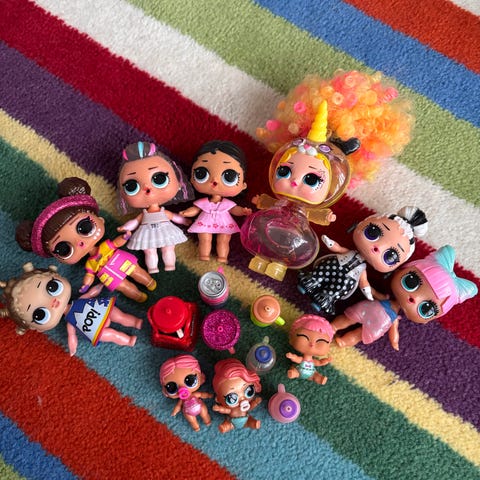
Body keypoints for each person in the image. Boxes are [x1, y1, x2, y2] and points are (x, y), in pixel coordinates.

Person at [240, 101, 357, 281]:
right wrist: (261, 201)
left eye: (311, 179)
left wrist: (325, 216)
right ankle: (259, 260)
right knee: (257, 236)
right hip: (269, 224)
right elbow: (270, 203)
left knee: (294, 249)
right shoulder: (279, 200)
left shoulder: (309, 208)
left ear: (331, 189)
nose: (294, 181)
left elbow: (314, 215)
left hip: (295, 236)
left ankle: (278, 266)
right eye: (284, 171)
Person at [16, 177, 156, 302]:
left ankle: (149, 282)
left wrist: (124, 237)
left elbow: (116, 243)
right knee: (124, 286)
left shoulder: (105, 247)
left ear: (100, 219)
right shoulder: (90, 264)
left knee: (136, 271)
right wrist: (86, 284)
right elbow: (90, 275)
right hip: (108, 275)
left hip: (119, 260)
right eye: (63, 249)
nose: (79, 242)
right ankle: (138, 296)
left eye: (84, 227)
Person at [331, 245, 478, 350]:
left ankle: (343, 340)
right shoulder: (387, 301)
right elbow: (374, 294)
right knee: (349, 318)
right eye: (411, 282)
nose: (414, 298)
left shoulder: (394, 318)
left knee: (358, 334)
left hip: (380, 320)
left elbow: (394, 331)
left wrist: (395, 341)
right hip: (373, 308)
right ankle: (333, 327)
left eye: (426, 308)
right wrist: (367, 287)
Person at [298, 206, 428, 314]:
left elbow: (363, 281)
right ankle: (312, 281)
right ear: (361, 224)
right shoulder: (351, 254)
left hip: (349, 277)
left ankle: (326, 297)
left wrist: (367, 292)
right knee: (325, 268)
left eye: (390, 256)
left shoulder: (362, 270)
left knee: (341, 286)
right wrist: (330, 243)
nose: (377, 248)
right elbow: (339, 249)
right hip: (336, 263)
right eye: (373, 232)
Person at [0, 263, 143, 355]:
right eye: (40, 314)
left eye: (52, 287)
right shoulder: (71, 322)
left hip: (97, 309)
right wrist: (73, 348)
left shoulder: (78, 304)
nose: (53, 303)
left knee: (119, 316)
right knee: (111, 335)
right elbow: (72, 336)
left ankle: (136, 322)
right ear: (38, 328)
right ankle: (128, 340)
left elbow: (90, 294)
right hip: (90, 327)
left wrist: (99, 287)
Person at [117, 141, 194, 273]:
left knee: (168, 248)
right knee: (149, 251)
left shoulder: (164, 212)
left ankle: (170, 265)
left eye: (159, 179)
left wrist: (185, 220)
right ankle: (152, 268)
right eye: (132, 186)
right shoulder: (143, 215)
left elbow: (174, 217)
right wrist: (125, 227)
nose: (147, 189)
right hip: (146, 232)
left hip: (165, 230)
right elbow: (135, 222)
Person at [180, 140, 251, 263]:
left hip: (224, 223)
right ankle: (204, 254)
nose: (214, 180)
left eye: (229, 177)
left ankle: (222, 256)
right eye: (201, 174)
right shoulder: (203, 202)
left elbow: (235, 210)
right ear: (192, 178)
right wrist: (186, 212)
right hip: (205, 221)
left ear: (243, 185)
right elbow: (195, 209)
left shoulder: (227, 204)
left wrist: (243, 211)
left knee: (224, 240)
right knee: (204, 238)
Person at [160, 354, 213, 432]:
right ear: (165, 391)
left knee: (204, 413)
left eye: (190, 381)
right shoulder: (182, 400)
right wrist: (175, 411)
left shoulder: (194, 395)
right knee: (191, 420)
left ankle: (207, 420)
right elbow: (178, 406)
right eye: (171, 387)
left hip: (199, 406)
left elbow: (202, 394)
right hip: (188, 411)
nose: (182, 388)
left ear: (201, 378)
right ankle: (195, 426)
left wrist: (208, 395)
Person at [212, 358, 262, 433]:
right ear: (218, 399)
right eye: (232, 398)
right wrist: (219, 408)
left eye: (249, 391)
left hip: (247, 419)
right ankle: (226, 427)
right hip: (231, 422)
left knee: (250, 421)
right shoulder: (230, 409)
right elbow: (226, 410)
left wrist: (255, 402)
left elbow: (250, 407)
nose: (242, 399)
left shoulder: (246, 406)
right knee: (228, 425)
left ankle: (253, 424)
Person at [286, 314, 334, 384]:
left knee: (315, 375)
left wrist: (325, 361)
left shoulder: (313, 361)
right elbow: (298, 359)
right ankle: (294, 374)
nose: (312, 344)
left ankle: (319, 378)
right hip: (298, 370)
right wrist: (292, 357)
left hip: (311, 374)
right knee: (294, 371)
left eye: (321, 341)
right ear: (292, 339)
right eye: (304, 336)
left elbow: (319, 362)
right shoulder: (303, 359)